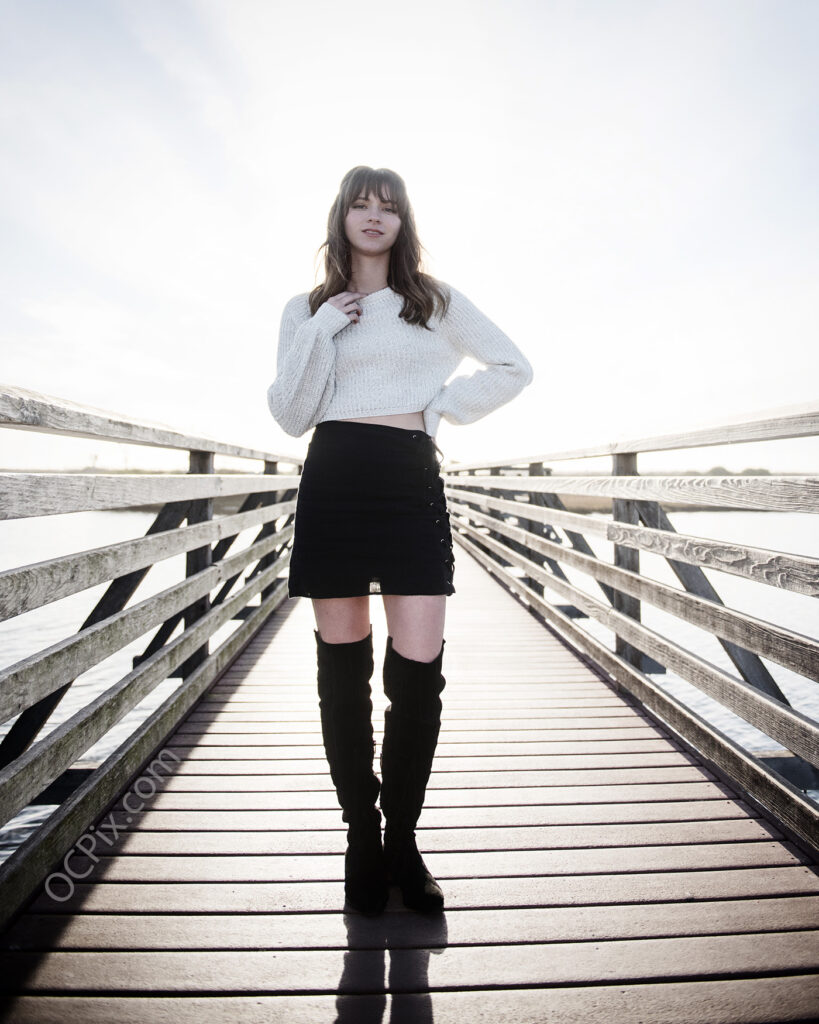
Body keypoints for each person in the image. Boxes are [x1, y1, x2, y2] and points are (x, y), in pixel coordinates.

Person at [266, 165, 533, 915]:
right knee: (341, 674)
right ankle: (360, 838)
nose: (373, 216)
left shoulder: (433, 301)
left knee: (416, 676)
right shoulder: (306, 308)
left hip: (409, 476)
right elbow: (290, 413)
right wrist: (322, 329)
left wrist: (441, 408)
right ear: (341, 216)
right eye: (361, 203)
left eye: (388, 206)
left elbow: (515, 366)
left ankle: (403, 840)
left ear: (403, 219)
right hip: (335, 476)